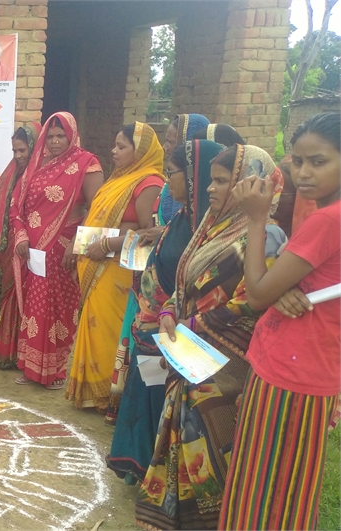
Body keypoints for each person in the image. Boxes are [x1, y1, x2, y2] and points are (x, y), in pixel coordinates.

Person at [135, 145, 286, 531]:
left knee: (212, 447)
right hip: (189, 352)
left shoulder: (266, 236)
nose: (211, 189)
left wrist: (192, 324)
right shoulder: (211, 227)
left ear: (249, 184)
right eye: (213, 180)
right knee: (186, 441)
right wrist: (169, 313)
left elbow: (250, 303)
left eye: (222, 181)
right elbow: (184, 282)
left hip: (225, 366)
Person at [219, 112, 341, 531]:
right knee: (288, 492)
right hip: (309, 367)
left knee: (261, 494)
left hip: (290, 373)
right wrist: (281, 287)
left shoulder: (327, 220)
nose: (303, 173)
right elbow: (277, 285)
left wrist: (256, 219)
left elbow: (255, 294)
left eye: (319, 162)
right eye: (298, 161)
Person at [105, 139, 225, 484]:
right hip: (154, 326)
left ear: (193, 178)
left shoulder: (208, 229)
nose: (166, 181)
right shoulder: (184, 219)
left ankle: (160, 477)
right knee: (147, 396)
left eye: (172, 173)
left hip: (176, 333)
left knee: (164, 404)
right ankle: (141, 467)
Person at [66, 122, 164, 410]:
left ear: (140, 151)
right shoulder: (118, 179)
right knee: (94, 325)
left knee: (110, 329)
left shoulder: (149, 183)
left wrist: (109, 244)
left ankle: (109, 395)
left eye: (122, 146)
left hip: (118, 268)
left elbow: (150, 233)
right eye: (115, 145)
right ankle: (92, 393)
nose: (114, 151)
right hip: (98, 262)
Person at [8, 113, 104, 388]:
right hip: (34, 252)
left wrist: (78, 244)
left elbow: (97, 210)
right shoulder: (38, 164)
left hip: (65, 250)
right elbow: (17, 203)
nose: (55, 141)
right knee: (36, 307)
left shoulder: (87, 163)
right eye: (50, 136)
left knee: (59, 310)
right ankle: (32, 368)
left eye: (61, 135)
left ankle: (55, 371)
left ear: (72, 135)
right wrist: (21, 235)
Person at [0, 123, 41, 369]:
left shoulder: (44, 176)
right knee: (11, 295)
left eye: (22, 150)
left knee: (33, 299)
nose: (17, 156)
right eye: (14, 151)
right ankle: (8, 353)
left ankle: (29, 355)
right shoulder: (14, 173)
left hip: (38, 246)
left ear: (34, 148)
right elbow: (1, 200)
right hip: (15, 246)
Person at [157, 113, 210, 225]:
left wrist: (165, 231)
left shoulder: (205, 192)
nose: (164, 147)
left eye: (170, 142)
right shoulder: (169, 184)